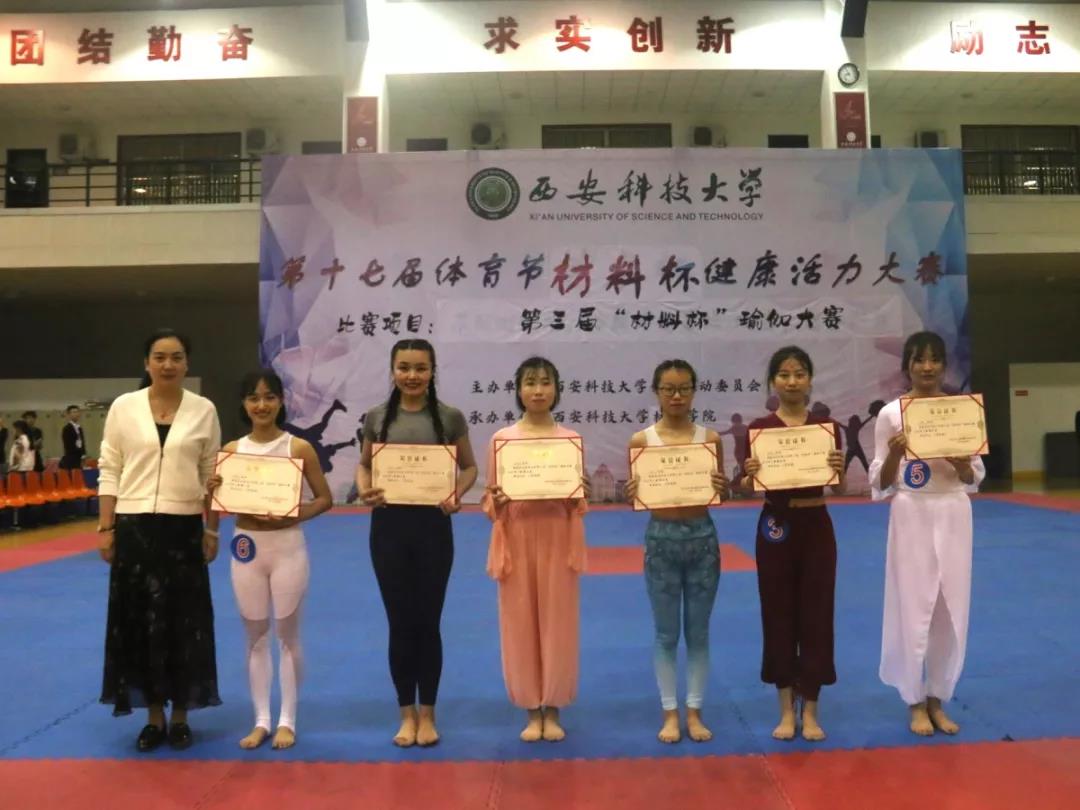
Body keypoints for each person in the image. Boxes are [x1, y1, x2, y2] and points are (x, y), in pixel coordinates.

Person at [97, 328, 223, 752]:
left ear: (187, 363)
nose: (168, 364)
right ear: (146, 363)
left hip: (184, 528)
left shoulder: (204, 410)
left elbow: (212, 474)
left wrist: (210, 529)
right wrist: (106, 528)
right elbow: (110, 468)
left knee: (183, 623)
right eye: (160, 357)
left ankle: (182, 715)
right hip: (133, 527)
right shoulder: (124, 407)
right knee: (140, 622)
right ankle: (153, 716)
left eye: (177, 357)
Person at [356, 338, 478, 747]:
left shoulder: (449, 417)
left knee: (428, 621)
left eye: (420, 368)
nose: (412, 376)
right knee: (399, 622)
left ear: (432, 371)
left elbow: (469, 467)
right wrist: (366, 489)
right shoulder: (377, 418)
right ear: (393, 371)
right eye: (404, 367)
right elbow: (363, 466)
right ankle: (405, 713)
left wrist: (456, 493)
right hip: (388, 528)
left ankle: (428, 714)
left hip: (433, 528)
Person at [206, 371, 333, 750]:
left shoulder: (299, 448)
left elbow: (324, 498)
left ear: (281, 401)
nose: (261, 405)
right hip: (246, 547)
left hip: (287, 547)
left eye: (269, 397)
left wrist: (293, 514)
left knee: (287, 637)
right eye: (253, 398)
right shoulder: (232, 450)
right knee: (255, 637)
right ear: (244, 404)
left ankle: (287, 721)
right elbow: (216, 503)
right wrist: (211, 499)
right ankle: (261, 720)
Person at [870, 331, 984, 736]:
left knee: (950, 608)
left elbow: (973, 477)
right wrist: (896, 453)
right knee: (912, 605)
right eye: (919, 359)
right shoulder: (891, 414)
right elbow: (881, 482)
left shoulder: (961, 411)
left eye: (935, 359)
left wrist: (962, 463)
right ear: (907, 366)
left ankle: (938, 697)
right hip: (911, 511)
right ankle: (914, 701)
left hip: (953, 509)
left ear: (944, 366)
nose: (927, 367)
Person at [734, 346, 845, 742]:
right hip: (775, 525)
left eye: (799, 374)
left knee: (817, 614)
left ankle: (810, 708)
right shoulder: (760, 429)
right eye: (784, 374)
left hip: (816, 524)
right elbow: (745, 487)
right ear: (773, 382)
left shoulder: (825, 427)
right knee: (778, 612)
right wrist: (749, 476)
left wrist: (837, 471)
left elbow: (839, 487)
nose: (792, 381)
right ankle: (785, 708)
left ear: (810, 379)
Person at [482, 357, 590, 742]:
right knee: (519, 622)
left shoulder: (570, 439)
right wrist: (496, 498)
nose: (538, 390)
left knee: (558, 623)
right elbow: (490, 502)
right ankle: (531, 708)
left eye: (546, 382)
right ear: (518, 390)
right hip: (517, 536)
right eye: (530, 382)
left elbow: (577, 504)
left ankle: (554, 707)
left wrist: (579, 492)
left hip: (558, 536)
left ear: (557, 389)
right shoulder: (501, 440)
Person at [624, 359, 729, 744]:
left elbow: (720, 494)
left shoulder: (710, 439)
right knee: (666, 634)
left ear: (694, 391)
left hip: (702, 538)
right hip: (661, 539)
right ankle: (670, 713)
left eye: (684, 388)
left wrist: (723, 487)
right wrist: (632, 494)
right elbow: (637, 497)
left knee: (698, 633)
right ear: (657, 392)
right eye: (668, 389)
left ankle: (695, 711)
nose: (677, 396)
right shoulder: (641, 442)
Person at [60, 405, 86, 470]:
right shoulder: (67, 428)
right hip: (71, 458)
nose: (76, 414)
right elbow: (68, 445)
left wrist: (83, 454)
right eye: (74, 412)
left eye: (77, 412)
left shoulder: (79, 428)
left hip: (79, 457)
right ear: (69, 415)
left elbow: (82, 442)